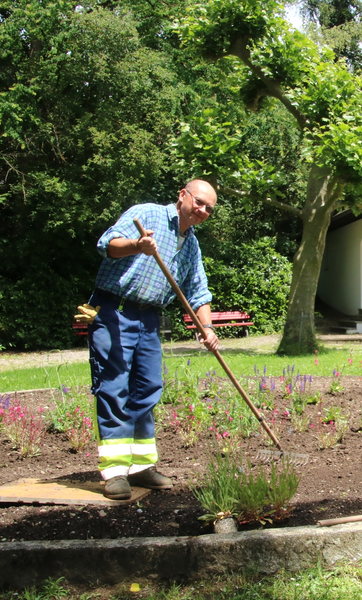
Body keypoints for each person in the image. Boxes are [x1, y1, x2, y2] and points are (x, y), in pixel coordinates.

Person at [79, 179, 221, 500]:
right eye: (198, 202)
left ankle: (141, 466)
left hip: (149, 317)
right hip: (113, 309)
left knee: (148, 387)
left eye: (209, 208)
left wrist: (207, 327)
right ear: (182, 195)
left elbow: (198, 290)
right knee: (114, 385)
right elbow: (107, 244)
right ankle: (115, 471)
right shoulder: (148, 214)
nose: (202, 210)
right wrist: (137, 246)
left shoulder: (192, 245)